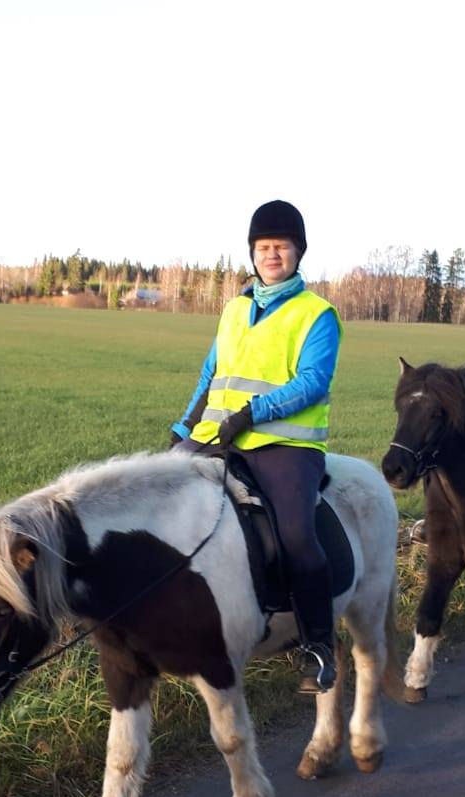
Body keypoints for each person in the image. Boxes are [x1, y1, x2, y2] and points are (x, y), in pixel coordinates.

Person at [171, 200, 342, 694]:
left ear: (298, 253)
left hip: (284, 444)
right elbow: (212, 374)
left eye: (281, 247)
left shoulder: (317, 314)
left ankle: (317, 645)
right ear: (252, 253)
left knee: (295, 535)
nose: (272, 255)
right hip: (216, 436)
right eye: (264, 247)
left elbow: (312, 381)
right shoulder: (233, 308)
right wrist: (184, 428)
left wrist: (252, 415)